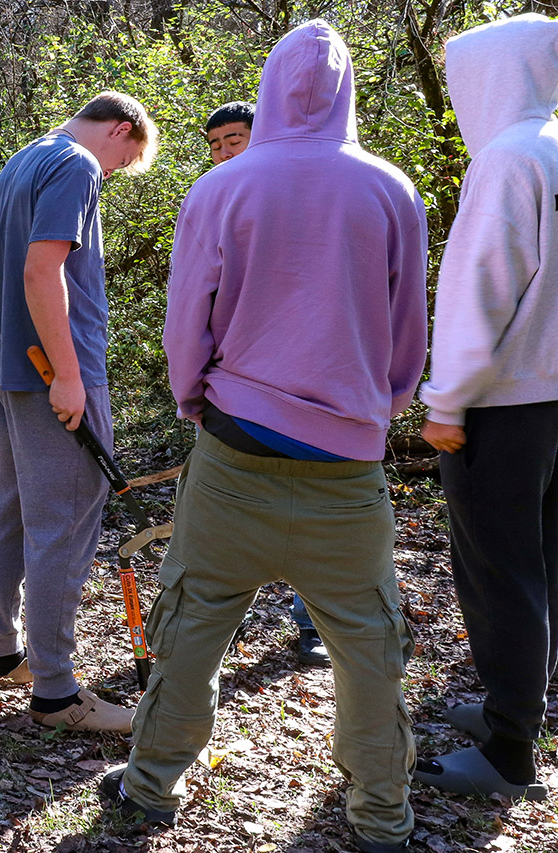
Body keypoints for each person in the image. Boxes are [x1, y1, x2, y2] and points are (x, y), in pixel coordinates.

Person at [101, 22, 428, 853]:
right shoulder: (391, 189)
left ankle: (148, 789)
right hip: (347, 471)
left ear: (272, 85)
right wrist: (378, 406)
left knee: (193, 620)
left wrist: (189, 399)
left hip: (234, 451)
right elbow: (407, 332)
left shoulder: (224, 186)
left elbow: (188, 324)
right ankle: (382, 818)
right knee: (367, 643)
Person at [0, 91, 158, 733]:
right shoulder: (77, 164)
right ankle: (56, 693)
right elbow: (40, 270)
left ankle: (5, 656)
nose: (110, 176)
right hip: (55, 373)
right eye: (123, 161)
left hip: (13, 368)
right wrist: (70, 377)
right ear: (119, 129)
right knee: (66, 523)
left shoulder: (22, 161)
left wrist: (14, 350)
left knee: (15, 509)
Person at [413, 13, 558, 804]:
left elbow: (479, 292)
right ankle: (517, 707)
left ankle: (509, 753)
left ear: (497, 75)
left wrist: (447, 399)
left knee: (498, 568)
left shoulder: (507, 159)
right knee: (545, 562)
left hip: (505, 401)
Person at [203, 99, 330, 669]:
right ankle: (220, 622)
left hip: (315, 391)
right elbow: (194, 306)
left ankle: (312, 626)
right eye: (215, 144)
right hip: (235, 392)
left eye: (234, 140)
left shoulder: (320, 192)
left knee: (314, 520)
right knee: (230, 520)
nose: (223, 152)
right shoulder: (216, 198)